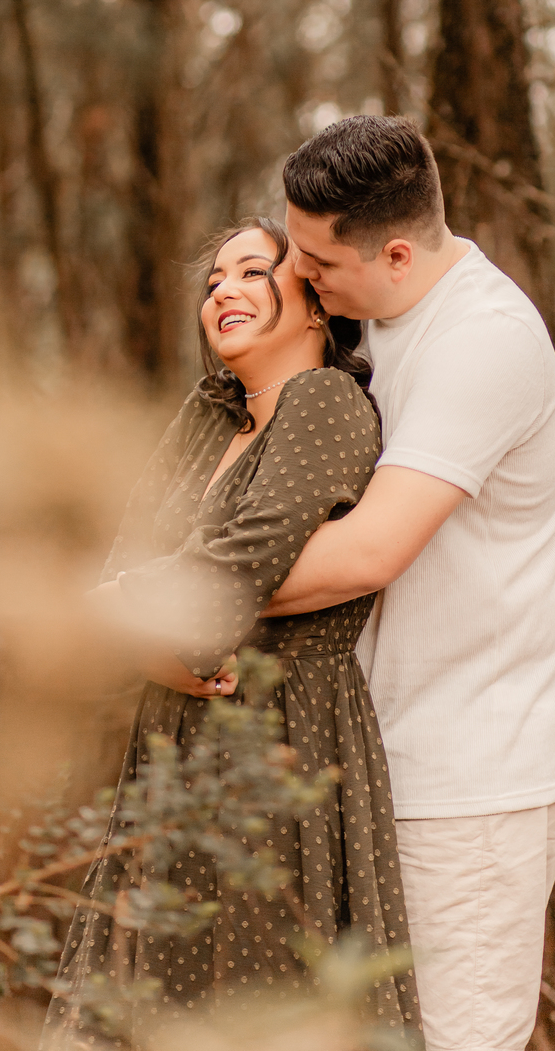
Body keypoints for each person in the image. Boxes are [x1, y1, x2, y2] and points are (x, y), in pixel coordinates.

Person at [44, 217, 419, 1048]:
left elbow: (243, 564)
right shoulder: (209, 414)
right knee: (146, 995)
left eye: (252, 271)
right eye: (213, 280)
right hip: (172, 733)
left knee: (256, 995)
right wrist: (145, 636)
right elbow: (123, 560)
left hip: (280, 731)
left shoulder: (324, 401)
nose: (223, 291)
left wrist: (137, 610)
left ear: (315, 302)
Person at [266, 115, 555, 1051]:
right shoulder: (375, 314)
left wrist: (188, 597)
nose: (298, 276)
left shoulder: (484, 340)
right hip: (383, 756)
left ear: (398, 254)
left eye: (318, 261)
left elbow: (370, 552)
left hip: (472, 777)